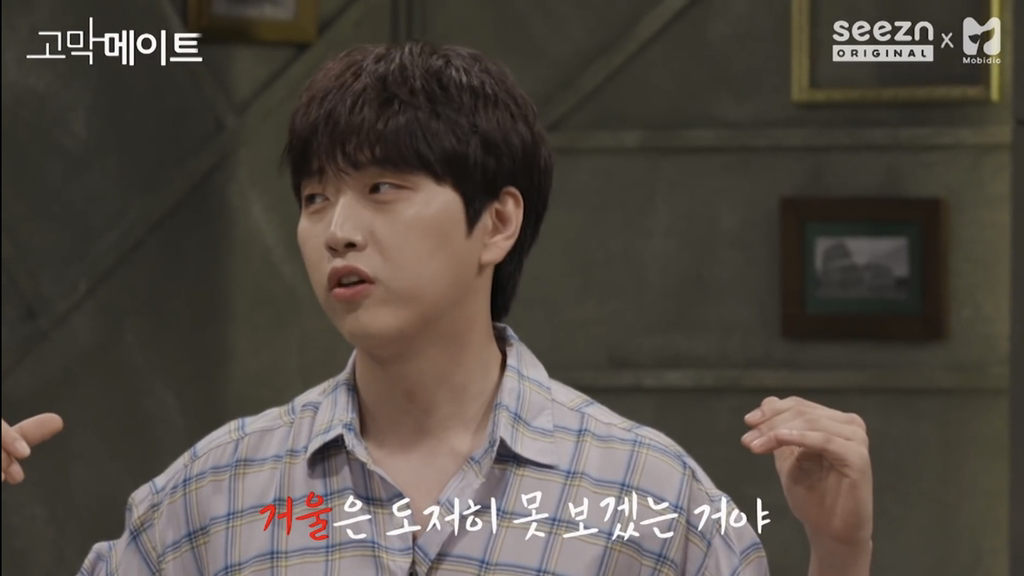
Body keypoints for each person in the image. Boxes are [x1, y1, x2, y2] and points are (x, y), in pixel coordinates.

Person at [1, 42, 872, 575]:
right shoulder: (212, 495)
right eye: (314, 198)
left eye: (382, 188)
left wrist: (839, 553)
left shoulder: (648, 494)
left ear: (496, 222)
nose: (337, 229)